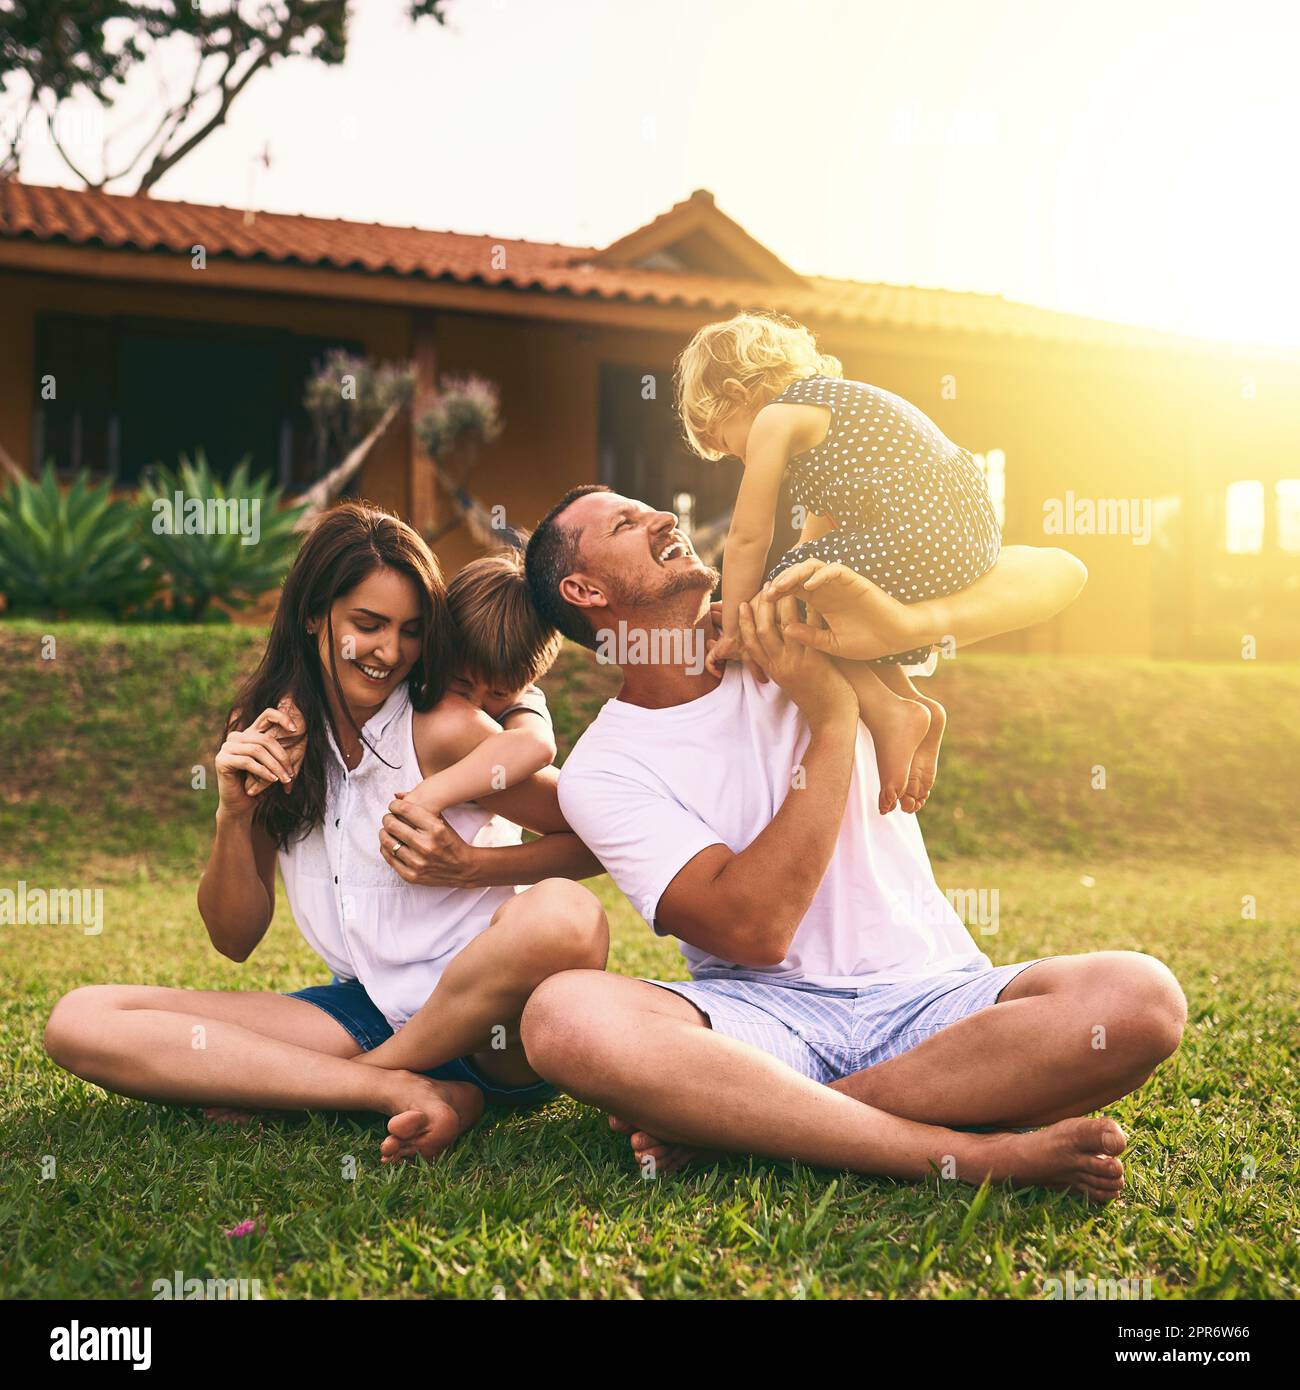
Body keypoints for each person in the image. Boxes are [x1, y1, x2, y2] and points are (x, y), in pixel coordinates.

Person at [519, 485, 1186, 1201]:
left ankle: (757, 1119)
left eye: (652, 509)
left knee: (1140, 997)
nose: (662, 518)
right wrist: (833, 725)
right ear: (584, 588)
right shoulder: (603, 768)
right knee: (563, 1016)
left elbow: (1058, 572)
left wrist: (899, 612)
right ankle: (966, 1152)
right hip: (766, 1020)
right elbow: (754, 930)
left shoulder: (808, 624)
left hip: (933, 1000)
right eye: (626, 523)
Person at [44, 502, 607, 1164]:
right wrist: (234, 814)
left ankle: (354, 1085)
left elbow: (597, 837)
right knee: (80, 1021)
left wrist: (471, 867)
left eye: (410, 631)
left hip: (490, 1031)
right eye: (367, 625)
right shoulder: (271, 734)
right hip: (366, 1012)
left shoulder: (443, 728)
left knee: (566, 914)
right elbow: (234, 938)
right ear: (315, 615)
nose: (389, 652)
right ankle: (399, 1091)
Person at [677, 310, 1001, 814]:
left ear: (739, 396)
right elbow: (818, 534)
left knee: (783, 594)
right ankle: (914, 705)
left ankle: (888, 711)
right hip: (968, 531)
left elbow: (747, 537)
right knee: (813, 586)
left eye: (727, 444)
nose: (742, 458)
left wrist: (740, 621)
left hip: (923, 534)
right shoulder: (835, 409)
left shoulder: (774, 418)